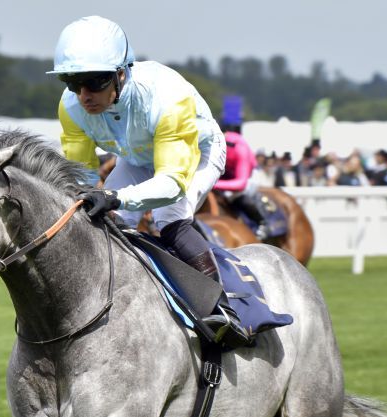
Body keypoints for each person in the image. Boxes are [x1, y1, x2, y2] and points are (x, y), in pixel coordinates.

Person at [48, 15, 249, 348]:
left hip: (196, 154)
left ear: (121, 74)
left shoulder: (167, 98)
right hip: (138, 157)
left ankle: (222, 311)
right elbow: (80, 176)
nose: (84, 95)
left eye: (95, 82)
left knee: (170, 221)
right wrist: (94, 199)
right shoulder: (70, 108)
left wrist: (116, 197)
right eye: (72, 82)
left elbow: (171, 184)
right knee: (99, 222)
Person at [214, 127, 270, 240]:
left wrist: (213, 184)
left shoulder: (239, 147)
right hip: (228, 172)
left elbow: (240, 184)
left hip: (249, 176)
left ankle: (261, 223)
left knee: (233, 195)